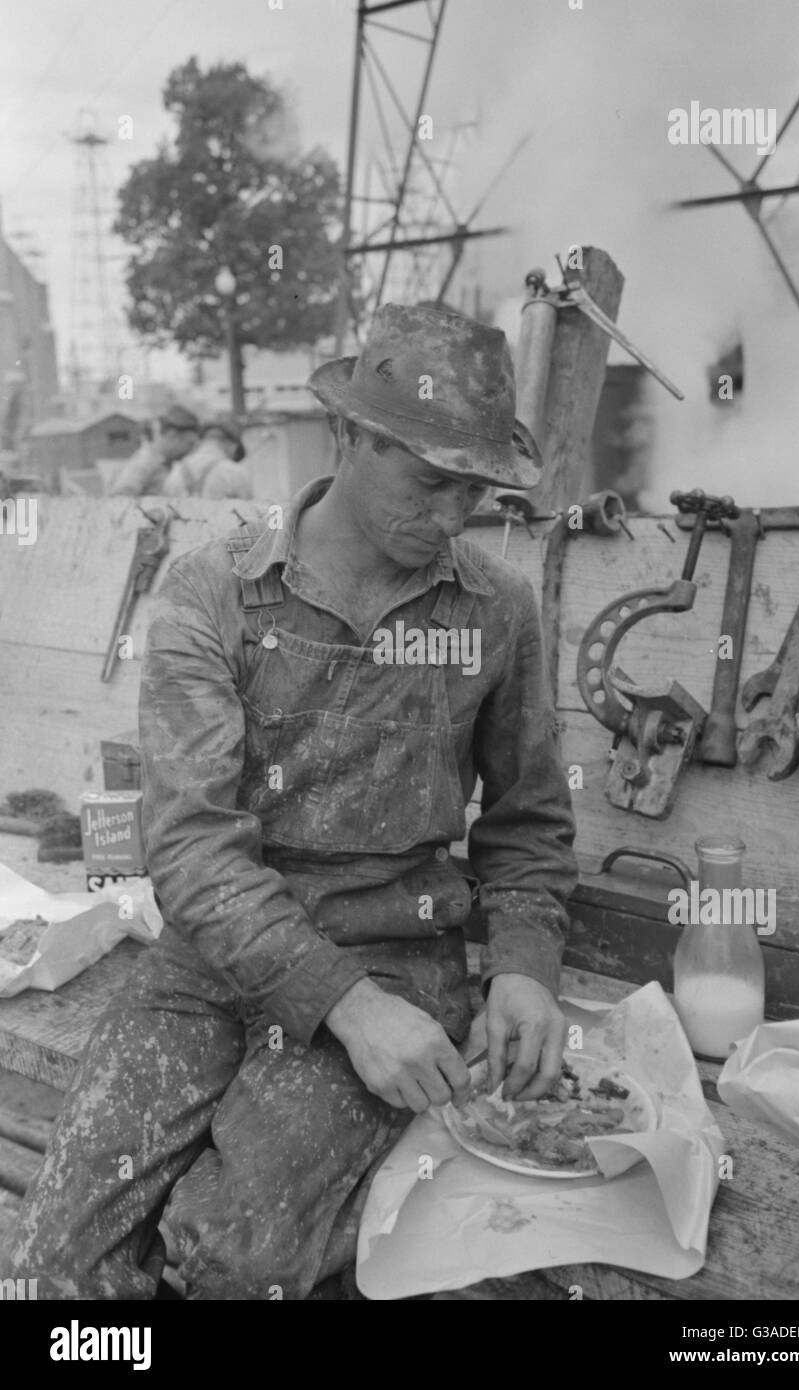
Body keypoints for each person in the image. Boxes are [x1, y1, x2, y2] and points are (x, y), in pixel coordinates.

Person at [9, 302, 578, 1300]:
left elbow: (527, 823)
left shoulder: (495, 610)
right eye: (429, 480)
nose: (450, 517)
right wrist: (339, 1006)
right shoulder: (210, 594)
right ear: (347, 435)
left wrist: (525, 969)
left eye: (474, 491)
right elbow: (189, 851)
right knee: (51, 1268)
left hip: (392, 957)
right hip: (210, 963)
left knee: (234, 1259)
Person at [107, 405, 200, 496]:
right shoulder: (146, 462)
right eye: (189, 443)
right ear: (173, 435)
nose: (190, 450)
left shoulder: (165, 464)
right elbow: (120, 498)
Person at [164, 418, 252, 499]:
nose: (234, 456)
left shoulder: (175, 473)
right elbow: (248, 512)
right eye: (235, 454)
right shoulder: (237, 473)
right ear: (233, 446)